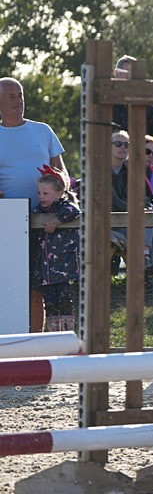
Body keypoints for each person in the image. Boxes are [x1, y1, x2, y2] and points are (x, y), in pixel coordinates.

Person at [0, 78, 70, 332]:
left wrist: (61, 182)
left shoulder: (43, 130)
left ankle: (37, 341)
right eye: (11, 96)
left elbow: (62, 169)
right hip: (9, 222)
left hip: (47, 220)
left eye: (20, 95)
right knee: (11, 283)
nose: (18, 100)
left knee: (39, 284)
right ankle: (11, 339)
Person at [32, 171, 81, 332]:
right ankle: (53, 335)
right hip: (44, 271)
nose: (41, 196)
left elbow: (73, 210)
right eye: (39, 193)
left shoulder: (64, 207)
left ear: (59, 193)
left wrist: (56, 221)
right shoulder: (38, 210)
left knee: (65, 301)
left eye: (46, 193)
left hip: (63, 268)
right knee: (50, 304)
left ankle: (67, 334)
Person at [110, 130, 153, 273]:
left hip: (129, 221)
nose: (123, 147)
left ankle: (145, 268)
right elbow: (111, 200)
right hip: (109, 224)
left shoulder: (132, 171)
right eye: (118, 143)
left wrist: (148, 208)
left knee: (151, 223)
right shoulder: (99, 170)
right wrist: (136, 210)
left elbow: (141, 196)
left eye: (127, 144)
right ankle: (144, 266)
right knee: (146, 224)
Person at [111, 54, 153, 140]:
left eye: (132, 74)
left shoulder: (148, 104)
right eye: (125, 73)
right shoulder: (108, 103)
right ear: (116, 74)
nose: (129, 77)